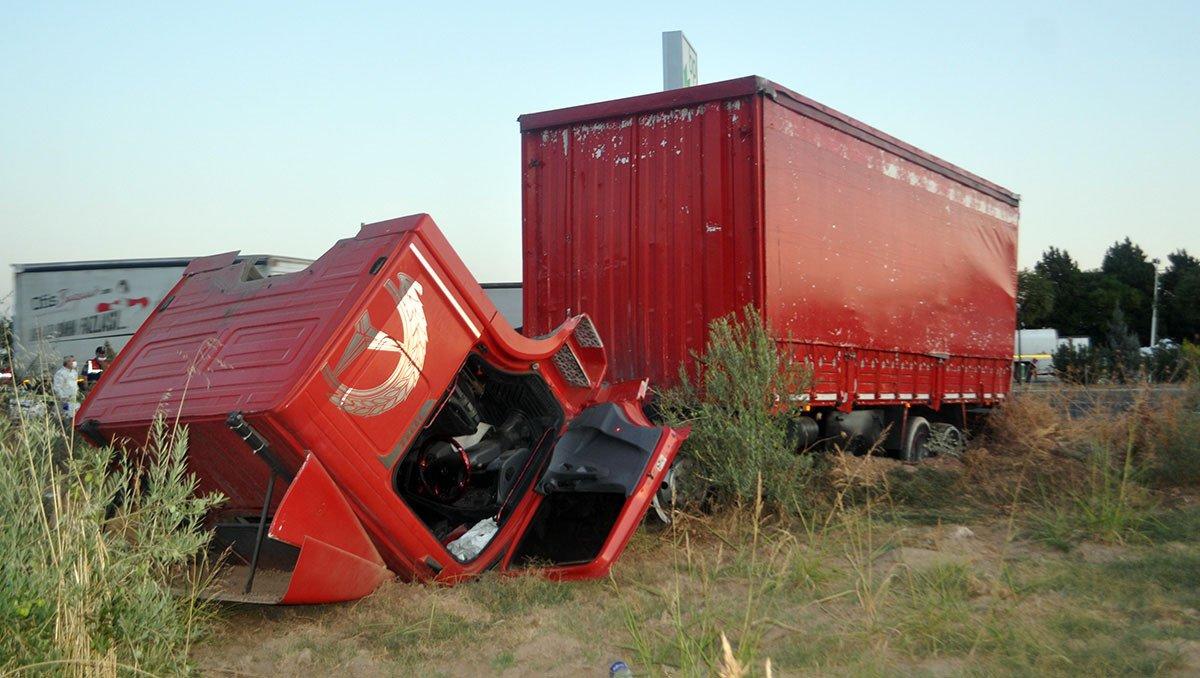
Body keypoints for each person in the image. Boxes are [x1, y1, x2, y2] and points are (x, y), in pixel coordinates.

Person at [52, 356, 80, 420]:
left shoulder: (74, 372)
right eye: (72, 361)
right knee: (66, 414)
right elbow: (57, 387)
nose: (74, 362)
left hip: (73, 398)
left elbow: (75, 384)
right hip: (65, 399)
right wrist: (63, 397)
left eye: (74, 360)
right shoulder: (60, 373)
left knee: (75, 414)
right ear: (67, 362)